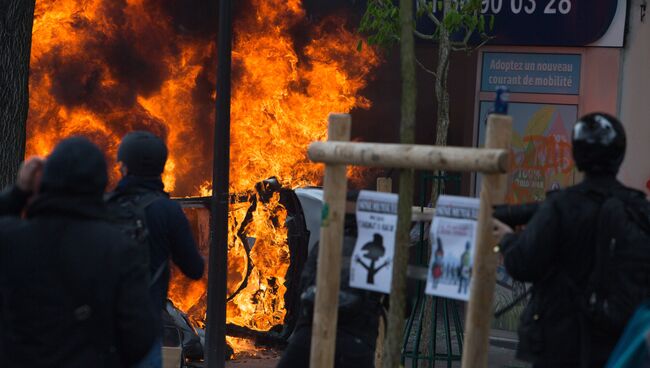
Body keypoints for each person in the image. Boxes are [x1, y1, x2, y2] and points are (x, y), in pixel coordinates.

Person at [492, 113, 646, 368]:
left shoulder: (561, 206)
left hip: (560, 343)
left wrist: (507, 239)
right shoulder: (638, 208)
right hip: (622, 345)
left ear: (576, 155)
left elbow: (523, 264)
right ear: (620, 155)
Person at [0, 137, 156, 367]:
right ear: (100, 184)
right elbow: (139, 337)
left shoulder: (11, 238)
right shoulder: (118, 249)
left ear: (46, 181)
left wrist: (19, 192)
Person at [107, 131, 205, 368]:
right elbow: (194, 269)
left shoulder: (104, 206)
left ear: (123, 167)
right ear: (161, 167)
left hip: (102, 329)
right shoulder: (167, 211)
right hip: (145, 330)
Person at [277, 193, 383, 368]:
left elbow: (302, 287)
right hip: (356, 340)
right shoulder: (377, 250)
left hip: (313, 334)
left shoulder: (324, 246)